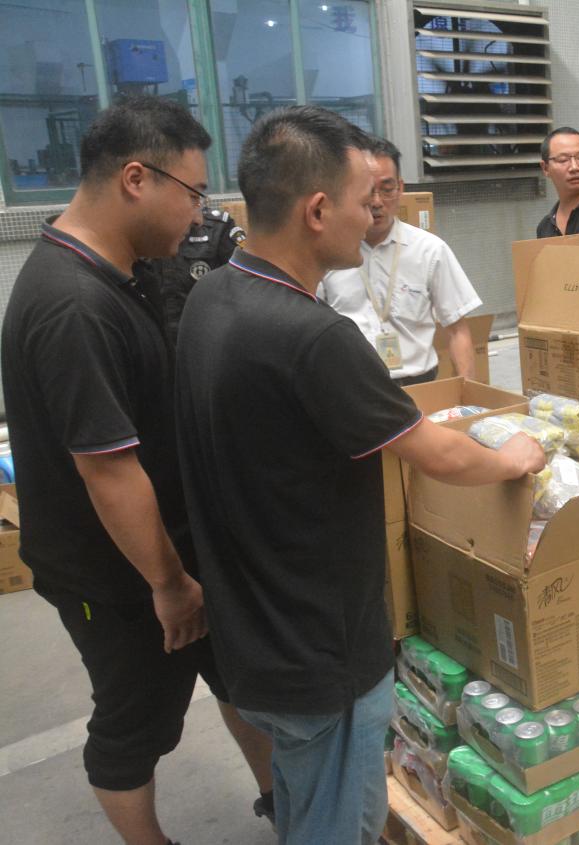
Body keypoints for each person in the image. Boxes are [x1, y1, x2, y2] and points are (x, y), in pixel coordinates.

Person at [174, 106, 545, 845]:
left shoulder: (213, 294)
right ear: (317, 210)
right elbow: (436, 453)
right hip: (320, 650)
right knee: (341, 821)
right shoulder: (313, 336)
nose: (374, 213)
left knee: (308, 795)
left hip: (252, 630)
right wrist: (514, 457)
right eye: (363, 200)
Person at [0, 96, 274, 845]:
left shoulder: (123, 271)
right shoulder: (73, 305)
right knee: (135, 718)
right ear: (134, 179)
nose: (199, 214)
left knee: (237, 679)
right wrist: (169, 583)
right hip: (114, 575)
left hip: (170, 549)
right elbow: (108, 471)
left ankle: (278, 799)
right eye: (192, 193)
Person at [319, 137, 482, 386]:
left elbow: (458, 330)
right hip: (352, 386)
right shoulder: (328, 253)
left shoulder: (430, 250)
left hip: (419, 384)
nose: (377, 202)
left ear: (401, 188)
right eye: (368, 190)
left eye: (387, 189)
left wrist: (468, 392)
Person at [155, 206, 245, 344]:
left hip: (206, 338)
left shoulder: (218, 227)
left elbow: (243, 287)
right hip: (155, 339)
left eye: (195, 197)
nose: (198, 220)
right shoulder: (142, 228)